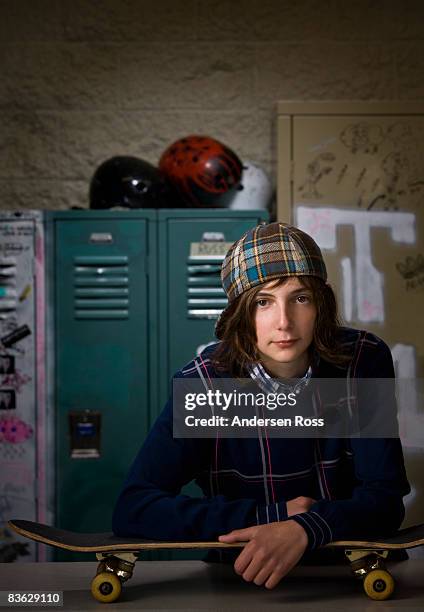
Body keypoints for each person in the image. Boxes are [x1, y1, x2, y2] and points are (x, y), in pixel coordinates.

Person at [112, 222, 410, 590]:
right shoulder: (205, 384)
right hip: (241, 577)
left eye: (300, 298)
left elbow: (385, 498)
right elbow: (135, 507)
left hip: (354, 574)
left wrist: (306, 528)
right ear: (242, 314)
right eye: (263, 302)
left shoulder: (362, 359)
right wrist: (270, 516)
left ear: (321, 303)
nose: (283, 322)